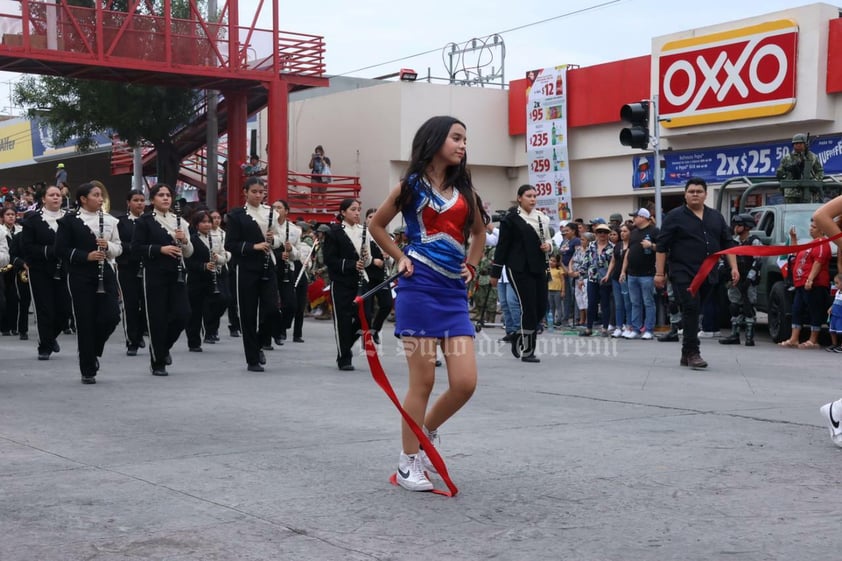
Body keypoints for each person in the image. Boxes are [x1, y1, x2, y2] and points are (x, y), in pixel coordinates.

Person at [368, 115, 487, 492]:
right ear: (435, 140)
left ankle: (425, 435)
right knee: (423, 380)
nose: (462, 144)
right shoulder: (411, 187)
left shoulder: (466, 191)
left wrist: (471, 264)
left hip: (453, 295)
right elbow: (377, 226)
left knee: (465, 383)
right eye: (456, 137)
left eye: (465, 139)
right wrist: (398, 257)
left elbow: (480, 234)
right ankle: (407, 464)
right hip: (417, 289)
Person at [655, 177, 738, 370]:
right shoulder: (674, 216)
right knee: (691, 307)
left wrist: (734, 267)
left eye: (699, 191)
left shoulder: (716, 216)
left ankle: (686, 352)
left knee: (696, 310)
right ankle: (693, 352)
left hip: (709, 272)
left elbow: (728, 243)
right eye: (691, 191)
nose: (695, 194)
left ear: (705, 195)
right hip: (683, 271)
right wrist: (660, 274)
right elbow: (661, 246)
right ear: (685, 194)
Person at [55, 182, 122, 384]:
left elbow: (119, 248)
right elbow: (61, 250)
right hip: (80, 275)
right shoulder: (69, 221)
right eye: (96, 195)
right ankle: (87, 368)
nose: (101, 199)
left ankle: (93, 350)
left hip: (106, 273)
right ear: (83, 199)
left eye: (101, 195)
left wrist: (108, 246)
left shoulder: (110, 220)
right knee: (85, 321)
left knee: (111, 317)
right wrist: (86, 256)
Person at [132, 183, 194, 376]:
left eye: (168, 195)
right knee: (157, 318)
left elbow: (189, 252)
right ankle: (158, 362)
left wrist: (184, 241)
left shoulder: (180, 222)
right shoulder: (145, 221)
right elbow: (136, 248)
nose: (166, 198)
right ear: (153, 200)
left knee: (183, 315)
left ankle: (163, 348)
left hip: (177, 274)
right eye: (161, 195)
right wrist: (160, 249)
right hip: (155, 274)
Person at [224, 177, 283, 372]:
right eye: (254, 191)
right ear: (245, 192)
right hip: (245, 268)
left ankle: (258, 343)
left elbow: (278, 238)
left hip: (268, 266)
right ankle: (252, 359)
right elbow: (230, 244)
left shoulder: (271, 213)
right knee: (248, 314)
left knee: (273, 310)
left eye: (261, 192)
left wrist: (272, 240)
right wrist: (253, 246)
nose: (258, 195)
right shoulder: (236, 215)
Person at [491, 184, 552, 361]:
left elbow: (548, 239)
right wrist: (495, 272)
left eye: (534, 196)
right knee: (528, 308)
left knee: (541, 307)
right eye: (528, 196)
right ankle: (527, 350)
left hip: (539, 266)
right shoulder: (510, 219)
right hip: (518, 268)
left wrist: (549, 246)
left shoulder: (542, 218)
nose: (532, 199)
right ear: (519, 198)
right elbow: (502, 247)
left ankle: (519, 334)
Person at [20, 185, 70, 360]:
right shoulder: (32, 219)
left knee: (65, 311)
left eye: (58, 195)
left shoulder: (70, 218)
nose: (56, 198)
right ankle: (45, 346)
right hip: (40, 270)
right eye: (52, 195)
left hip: (65, 270)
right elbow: (27, 247)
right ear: (43, 199)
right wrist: (49, 251)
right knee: (45, 309)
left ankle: (50, 337)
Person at [322, 198, 371, 371]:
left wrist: (365, 257)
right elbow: (330, 259)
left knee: (365, 317)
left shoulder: (364, 230)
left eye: (359, 209)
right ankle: (344, 357)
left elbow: (369, 260)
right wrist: (351, 265)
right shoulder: (333, 232)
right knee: (342, 320)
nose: (357, 213)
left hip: (360, 279)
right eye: (353, 209)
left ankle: (345, 347)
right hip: (342, 281)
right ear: (343, 212)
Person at [777, 219, 831, 349]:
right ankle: (794, 338)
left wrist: (810, 279)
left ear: (822, 230)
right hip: (801, 283)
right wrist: (793, 238)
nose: (810, 229)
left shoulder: (822, 243)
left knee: (814, 310)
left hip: (814, 284)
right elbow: (796, 255)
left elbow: (819, 261)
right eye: (810, 226)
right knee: (797, 309)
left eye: (814, 227)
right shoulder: (809, 244)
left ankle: (813, 339)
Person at [184, 211, 227, 352]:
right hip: (196, 279)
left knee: (222, 301)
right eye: (203, 222)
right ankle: (194, 341)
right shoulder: (192, 239)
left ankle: (210, 329)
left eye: (209, 221)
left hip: (212, 277)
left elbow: (223, 255)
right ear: (196, 224)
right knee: (195, 312)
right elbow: (188, 261)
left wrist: (218, 259)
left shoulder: (216, 238)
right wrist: (203, 266)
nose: (207, 224)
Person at [719, 214, 763, 346]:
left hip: (748, 279)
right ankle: (735, 334)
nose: (735, 227)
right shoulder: (733, 242)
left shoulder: (754, 241)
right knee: (734, 306)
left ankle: (749, 336)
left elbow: (758, 261)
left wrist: (749, 279)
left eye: (739, 225)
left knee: (749, 306)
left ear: (747, 227)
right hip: (734, 279)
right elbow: (724, 259)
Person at [117, 189, 147, 356]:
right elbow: (119, 242)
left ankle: (141, 329)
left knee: (146, 302)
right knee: (130, 304)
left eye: (142, 200)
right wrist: (137, 248)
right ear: (129, 203)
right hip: (128, 267)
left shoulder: (151, 220)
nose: (140, 203)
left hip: (148, 267)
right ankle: (132, 341)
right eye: (136, 200)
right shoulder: (121, 222)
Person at [621, 208, 659, 340]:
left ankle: (649, 329)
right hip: (632, 273)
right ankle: (636, 328)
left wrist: (651, 245)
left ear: (643, 217)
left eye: (635, 216)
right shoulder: (634, 232)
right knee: (635, 302)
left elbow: (662, 249)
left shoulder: (654, 231)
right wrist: (623, 271)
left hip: (647, 274)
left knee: (648, 302)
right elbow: (629, 252)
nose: (634, 219)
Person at [271, 199, 303, 344]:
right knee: (270, 304)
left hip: (287, 268)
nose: (276, 210)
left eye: (279, 207)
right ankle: (272, 334)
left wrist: (290, 250)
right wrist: (278, 255)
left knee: (291, 304)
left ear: (286, 211)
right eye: (274, 207)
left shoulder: (295, 230)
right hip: (271, 267)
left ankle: (281, 328)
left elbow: (298, 254)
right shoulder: (268, 226)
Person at [364, 208, 394, 344]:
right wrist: (372, 261)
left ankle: (375, 329)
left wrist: (388, 258)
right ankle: (366, 337)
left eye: (375, 216)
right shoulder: (362, 236)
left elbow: (392, 261)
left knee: (387, 305)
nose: (372, 219)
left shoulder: (388, 237)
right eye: (370, 216)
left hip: (382, 276)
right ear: (366, 219)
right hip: (367, 276)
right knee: (367, 310)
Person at [1, 207, 29, 339]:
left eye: (13, 214)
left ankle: (14, 326)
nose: (11, 217)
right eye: (8, 214)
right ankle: (4, 326)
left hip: (16, 268)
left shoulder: (20, 231)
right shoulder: (1, 231)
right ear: (2, 217)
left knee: (14, 297)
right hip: (3, 267)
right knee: (4, 298)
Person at [606, 224, 632, 338]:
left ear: (630, 232)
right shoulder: (618, 245)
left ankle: (629, 326)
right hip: (616, 277)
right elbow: (613, 261)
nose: (622, 233)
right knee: (618, 304)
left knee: (628, 303)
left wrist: (623, 273)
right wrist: (607, 274)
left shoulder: (632, 245)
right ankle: (618, 326)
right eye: (621, 231)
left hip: (626, 277)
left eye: (625, 231)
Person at [558, 222, 581, 326]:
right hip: (563, 271)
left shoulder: (576, 241)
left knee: (575, 295)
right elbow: (560, 254)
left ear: (573, 231)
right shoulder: (564, 241)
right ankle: (565, 318)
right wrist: (562, 266)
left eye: (567, 230)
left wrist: (569, 269)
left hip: (572, 271)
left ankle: (577, 318)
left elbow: (576, 256)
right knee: (566, 296)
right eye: (564, 231)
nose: (565, 232)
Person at [547, 255, 566, 327]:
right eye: (550, 260)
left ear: (557, 263)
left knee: (558, 306)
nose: (551, 262)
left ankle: (559, 321)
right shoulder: (547, 269)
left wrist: (563, 291)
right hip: (549, 290)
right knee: (551, 306)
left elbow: (563, 280)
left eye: (554, 261)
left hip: (557, 290)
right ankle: (551, 321)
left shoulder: (559, 269)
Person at [826, 273, 842, 353]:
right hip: (834, 315)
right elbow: (835, 301)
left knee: (841, 331)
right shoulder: (837, 292)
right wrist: (831, 308)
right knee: (832, 330)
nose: (835, 285)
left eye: (837, 283)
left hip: (840, 316)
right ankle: (834, 344)